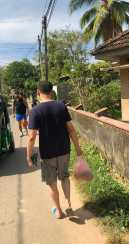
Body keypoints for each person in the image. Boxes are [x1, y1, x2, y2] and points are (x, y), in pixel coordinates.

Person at [27, 81, 82, 219]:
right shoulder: (61, 106)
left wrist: (29, 155)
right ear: (51, 92)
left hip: (47, 154)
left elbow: (32, 137)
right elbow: (71, 129)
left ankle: (59, 211)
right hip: (64, 149)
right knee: (64, 178)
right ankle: (69, 204)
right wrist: (78, 148)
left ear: (38, 93)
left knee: (51, 184)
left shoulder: (35, 111)